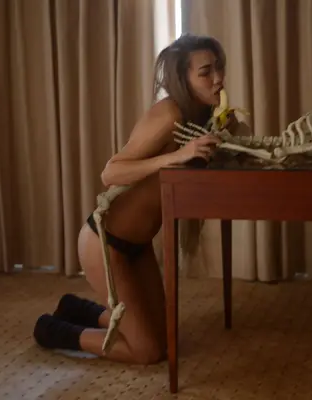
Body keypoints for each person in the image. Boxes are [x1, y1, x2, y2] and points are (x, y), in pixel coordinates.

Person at [32, 33, 236, 365]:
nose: (218, 78)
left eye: (219, 68)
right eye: (205, 72)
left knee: (164, 336)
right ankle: (52, 330)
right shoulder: (168, 114)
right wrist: (177, 156)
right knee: (148, 351)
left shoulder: (205, 117)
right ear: (183, 79)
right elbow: (111, 172)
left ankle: (78, 308)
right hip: (105, 243)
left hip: (138, 246)